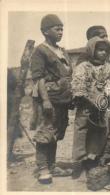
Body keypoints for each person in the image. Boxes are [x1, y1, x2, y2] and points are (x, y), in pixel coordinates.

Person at [30, 14, 73, 183]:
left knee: (55, 133)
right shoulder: (40, 51)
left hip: (62, 98)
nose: (61, 32)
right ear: (45, 31)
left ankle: (52, 165)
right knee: (45, 134)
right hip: (48, 98)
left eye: (62, 28)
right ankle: (43, 169)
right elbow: (38, 78)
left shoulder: (62, 51)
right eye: (57, 29)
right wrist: (46, 100)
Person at [71, 36, 110, 179]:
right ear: (92, 50)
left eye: (105, 50)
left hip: (102, 107)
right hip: (86, 105)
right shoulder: (83, 67)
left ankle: (93, 159)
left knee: (100, 131)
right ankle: (78, 162)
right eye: (100, 50)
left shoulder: (108, 68)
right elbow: (79, 87)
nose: (103, 53)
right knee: (81, 131)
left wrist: (107, 98)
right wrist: (91, 101)